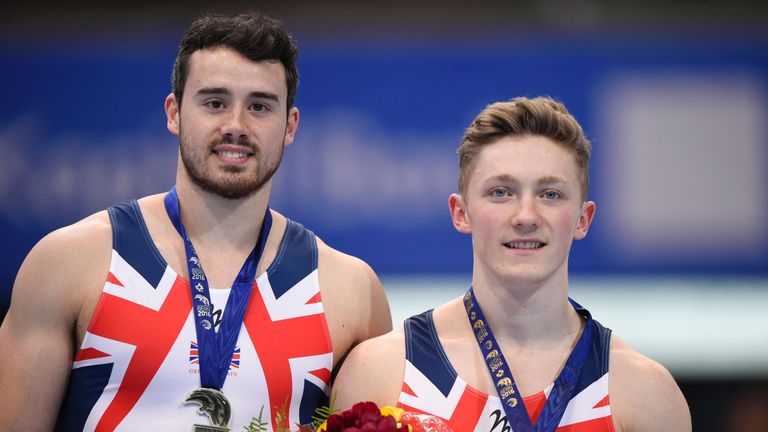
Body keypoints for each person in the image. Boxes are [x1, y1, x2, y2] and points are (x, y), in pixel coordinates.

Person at [0, 12, 392, 431]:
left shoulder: (350, 292)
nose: (235, 126)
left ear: (290, 126)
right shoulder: (70, 263)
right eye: (215, 102)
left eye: (259, 106)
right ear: (174, 113)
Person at [333, 97, 691, 431]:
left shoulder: (645, 394)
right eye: (501, 192)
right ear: (461, 213)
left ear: (584, 219)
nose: (526, 216)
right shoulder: (382, 372)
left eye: (550, 194)